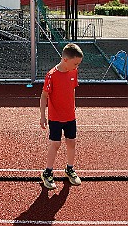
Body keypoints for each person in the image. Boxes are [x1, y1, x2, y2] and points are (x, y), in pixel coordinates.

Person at [40, 43, 83, 190]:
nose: (77, 66)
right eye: (75, 63)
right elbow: (44, 96)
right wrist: (42, 116)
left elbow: (72, 90)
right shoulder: (51, 75)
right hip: (55, 118)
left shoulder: (73, 72)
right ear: (65, 59)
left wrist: (73, 105)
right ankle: (48, 172)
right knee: (55, 144)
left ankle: (70, 169)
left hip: (70, 116)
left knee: (71, 142)